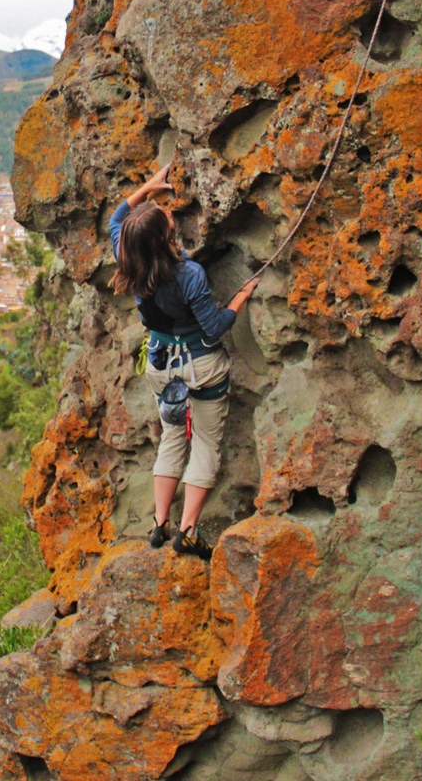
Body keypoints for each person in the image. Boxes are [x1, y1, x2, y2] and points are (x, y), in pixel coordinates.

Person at [109, 162, 257, 559]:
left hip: (161, 364)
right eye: (165, 216)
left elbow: (117, 220)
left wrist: (147, 188)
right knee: (205, 441)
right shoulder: (188, 273)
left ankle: (160, 523)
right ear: (164, 235)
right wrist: (240, 297)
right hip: (200, 365)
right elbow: (212, 329)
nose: (169, 212)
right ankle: (188, 530)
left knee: (173, 436)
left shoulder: (128, 257)